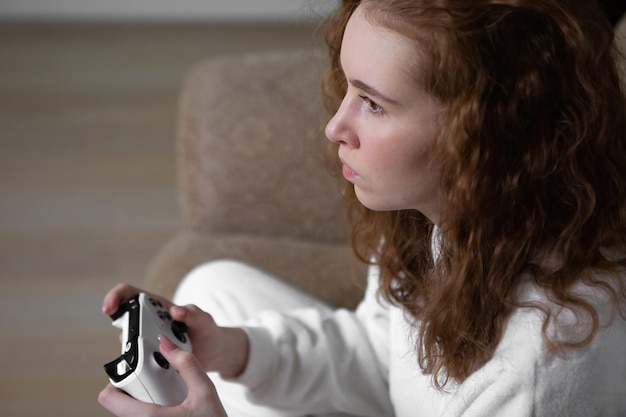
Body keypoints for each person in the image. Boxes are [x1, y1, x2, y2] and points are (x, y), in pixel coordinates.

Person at [98, 0, 626, 416]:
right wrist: (234, 350)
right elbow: (383, 355)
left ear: (482, 136)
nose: (335, 128)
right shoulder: (446, 216)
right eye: (348, 89)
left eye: (373, 103)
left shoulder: (535, 380)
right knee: (213, 286)